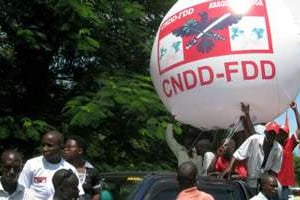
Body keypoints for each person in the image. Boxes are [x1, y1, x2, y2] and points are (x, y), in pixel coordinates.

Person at [18, 131, 84, 200]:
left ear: (61, 147)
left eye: (49, 145)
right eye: (43, 145)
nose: (45, 149)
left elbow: (78, 195)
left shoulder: (70, 169)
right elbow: (21, 190)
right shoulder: (32, 164)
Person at [221, 121, 283, 193]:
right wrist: (229, 167)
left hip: (265, 183)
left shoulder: (279, 149)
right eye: (270, 133)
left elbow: (274, 171)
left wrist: (268, 185)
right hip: (250, 181)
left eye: (274, 134)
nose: (272, 136)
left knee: (278, 190)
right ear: (265, 132)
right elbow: (238, 154)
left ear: (277, 135)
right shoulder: (254, 139)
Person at [63, 135, 100, 200]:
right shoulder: (59, 168)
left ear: (80, 150)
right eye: (65, 147)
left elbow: (97, 193)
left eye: (69, 147)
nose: (65, 149)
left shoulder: (92, 171)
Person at [277, 102, 300, 200]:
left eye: (284, 133)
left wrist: (295, 110)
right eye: (280, 133)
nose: (282, 135)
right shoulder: (272, 145)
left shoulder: (289, 144)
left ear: (287, 135)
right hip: (272, 184)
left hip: (285, 185)